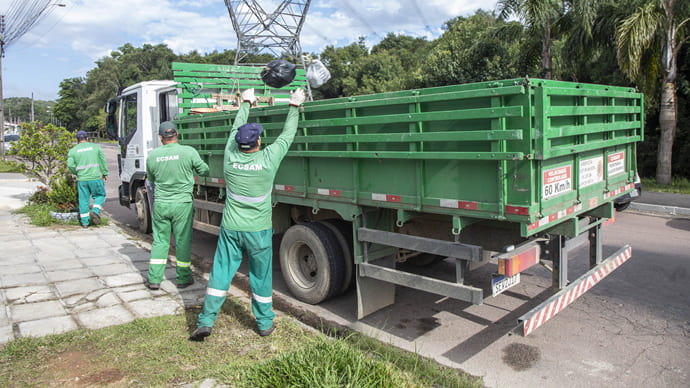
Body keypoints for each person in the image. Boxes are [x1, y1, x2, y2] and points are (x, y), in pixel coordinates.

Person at [190, 87, 306, 341]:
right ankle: (264, 324)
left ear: (240, 144)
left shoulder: (230, 159)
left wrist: (245, 103)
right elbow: (287, 135)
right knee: (260, 277)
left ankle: (206, 321)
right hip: (258, 230)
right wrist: (294, 106)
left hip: (231, 228)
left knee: (220, 273)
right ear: (258, 142)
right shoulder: (268, 160)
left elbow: (234, 131)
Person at [144, 121, 210, 290]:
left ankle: (154, 279)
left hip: (161, 204)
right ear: (177, 135)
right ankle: (183, 278)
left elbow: (150, 179)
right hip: (182, 204)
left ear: (161, 138)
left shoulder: (153, 156)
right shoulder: (188, 152)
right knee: (182, 241)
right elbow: (204, 170)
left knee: (160, 241)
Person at [67, 130, 108, 228]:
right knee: (100, 195)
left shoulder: (73, 151)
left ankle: (85, 223)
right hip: (95, 178)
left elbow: (70, 165)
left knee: (83, 200)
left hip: (82, 180)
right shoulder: (96, 148)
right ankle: (95, 211)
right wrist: (105, 173)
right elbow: (102, 161)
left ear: (77, 140)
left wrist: (76, 173)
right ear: (87, 138)